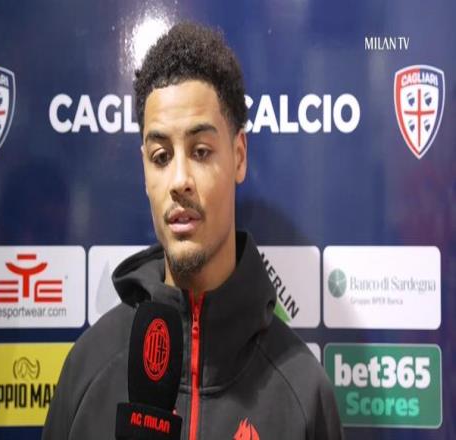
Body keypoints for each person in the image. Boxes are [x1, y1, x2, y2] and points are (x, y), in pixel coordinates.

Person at [42, 22, 343, 440]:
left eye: (201, 152)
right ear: (144, 170)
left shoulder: (303, 392)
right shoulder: (88, 369)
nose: (179, 180)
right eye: (161, 156)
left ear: (239, 156)